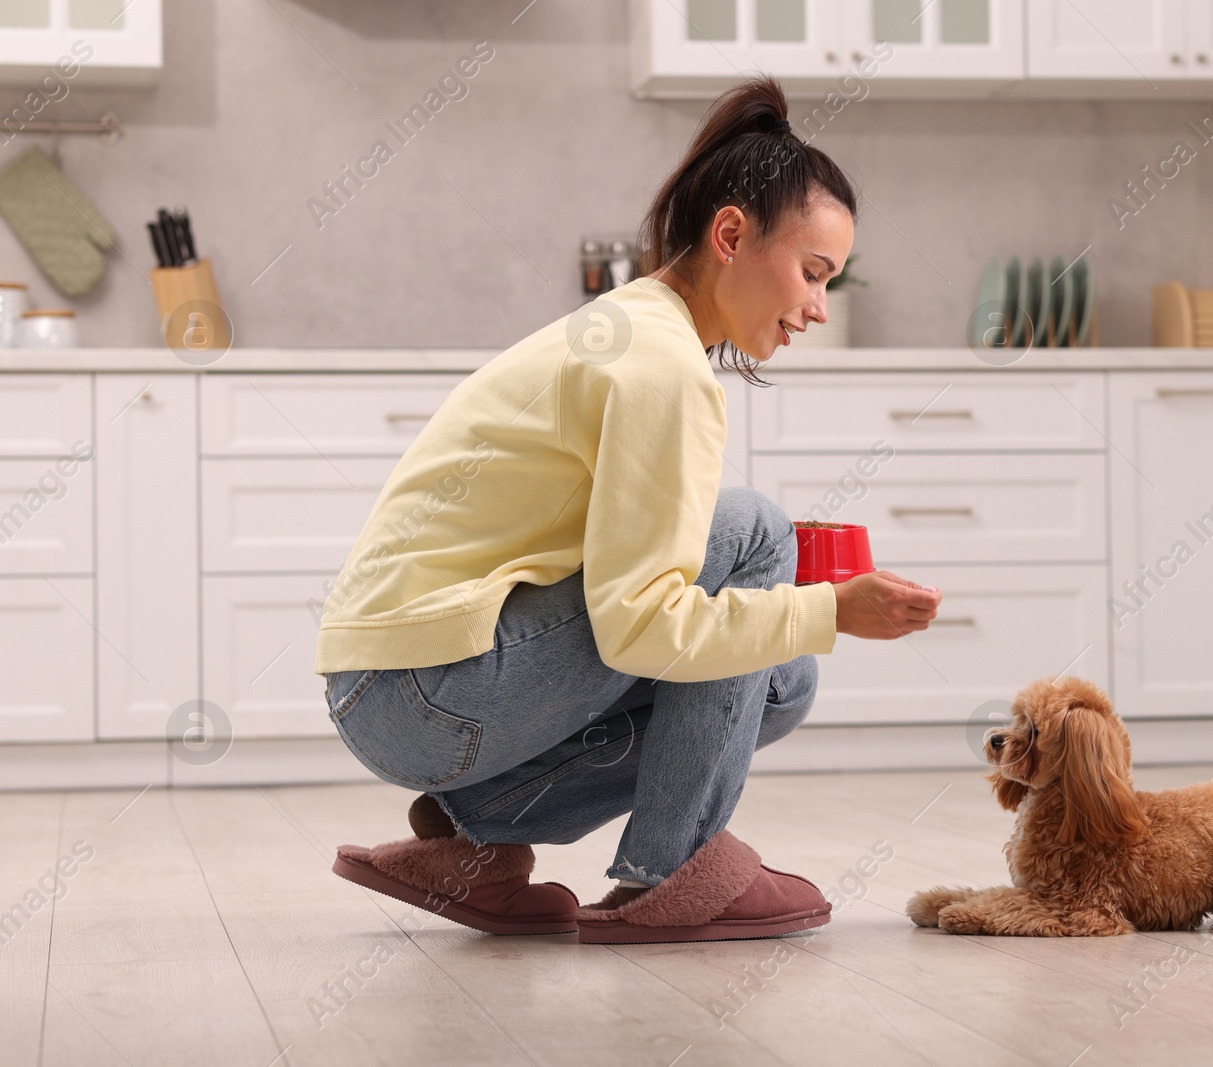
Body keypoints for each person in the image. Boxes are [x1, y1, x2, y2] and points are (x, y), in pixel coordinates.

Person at [315, 76, 942, 944]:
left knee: (780, 682)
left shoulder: (637, 327)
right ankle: (674, 870)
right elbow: (640, 628)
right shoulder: (662, 366)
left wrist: (801, 623)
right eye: (811, 272)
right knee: (755, 530)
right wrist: (829, 606)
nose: (816, 307)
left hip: (399, 693)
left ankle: (475, 834)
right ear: (731, 234)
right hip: (419, 693)